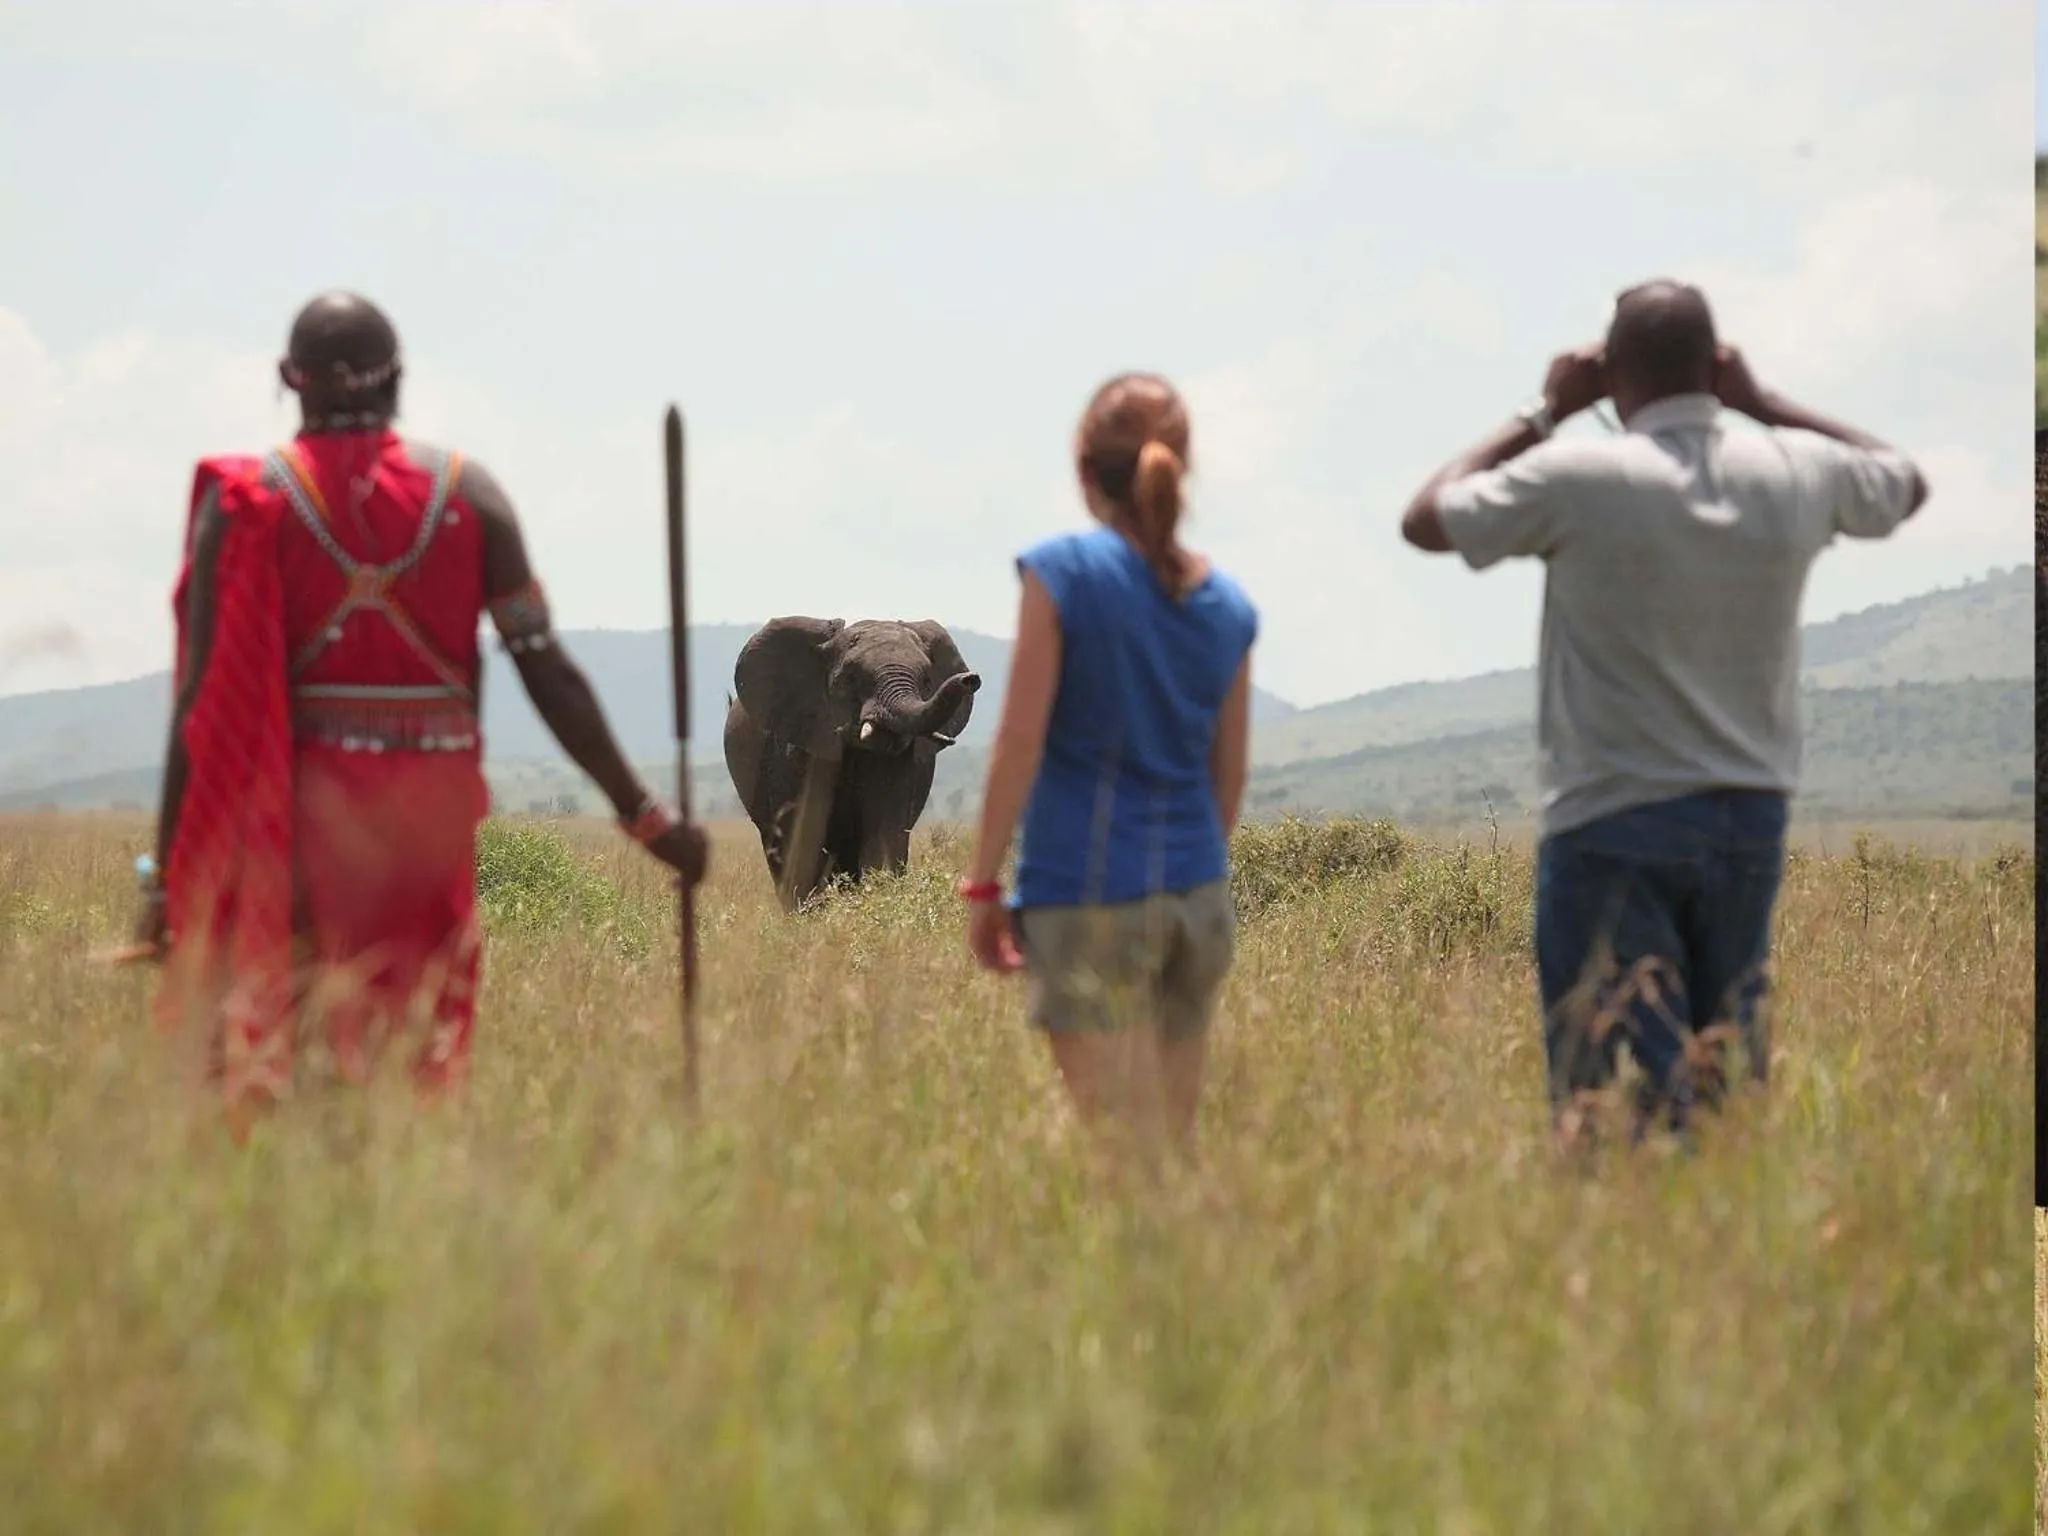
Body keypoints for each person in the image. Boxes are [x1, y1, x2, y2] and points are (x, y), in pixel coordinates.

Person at [134, 291, 708, 1129]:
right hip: (427, 821)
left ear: (290, 380)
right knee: (413, 1044)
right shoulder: (469, 497)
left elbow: (203, 704)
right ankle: (400, 1209)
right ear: (397, 378)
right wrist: (648, 819)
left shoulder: (248, 501)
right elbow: (547, 671)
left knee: (288, 1043)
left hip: (299, 812)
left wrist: (165, 878)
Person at [1399, 278, 1927, 1148]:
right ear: (1714, 366)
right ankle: (1716, 1229)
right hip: (1750, 815)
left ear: (1610, 374)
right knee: (1722, 1084)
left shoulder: (1579, 472)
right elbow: (1902, 484)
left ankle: (1619, 1240)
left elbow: (1426, 519)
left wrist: (1543, 411)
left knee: (1597, 1091)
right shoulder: (1791, 470)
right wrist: (1763, 403)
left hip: (1611, 815)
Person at [959, 372, 1259, 1165]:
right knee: (1171, 1142)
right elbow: (1227, 783)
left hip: (1084, 896)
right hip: (1195, 900)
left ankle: (1151, 1284)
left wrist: (985, 885)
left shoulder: (1063, 573)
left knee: (1122, 1154)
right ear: (1179, 471)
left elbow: (1019, 739)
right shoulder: (1228, 606)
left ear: (1086, 475)